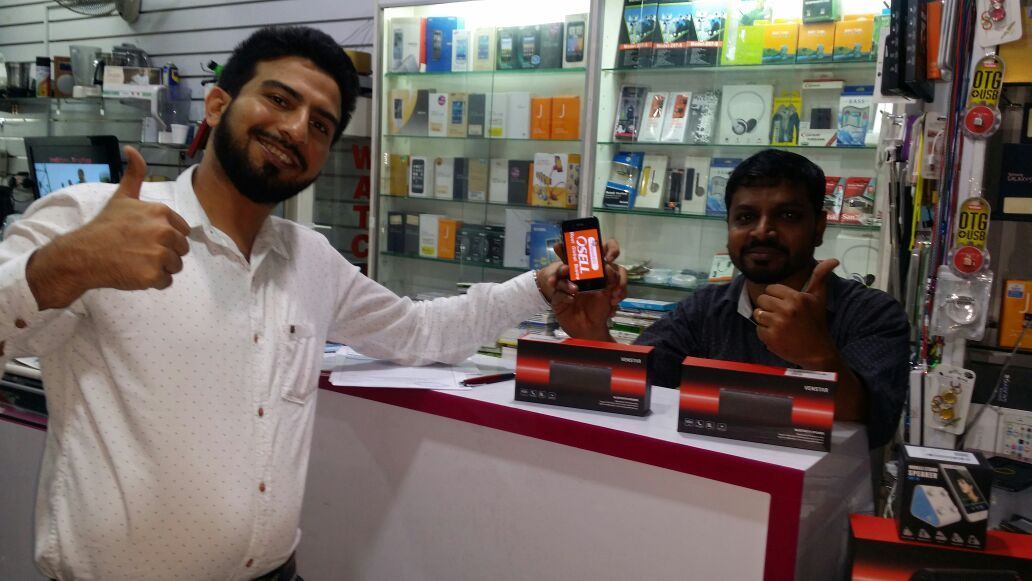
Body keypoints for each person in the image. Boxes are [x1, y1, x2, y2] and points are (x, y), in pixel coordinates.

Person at [0, 27, 624, 580]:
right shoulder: (94, 218)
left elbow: (420, 331)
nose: (297, 129)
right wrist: (67, 266)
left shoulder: (309, 259)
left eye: (321, 125)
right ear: (217, 104)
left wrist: (539, 286)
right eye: (279, 99)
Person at [553, 149, 910, 449]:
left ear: (819, 227)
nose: (762, 231)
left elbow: (875, 425)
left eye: (787, 216)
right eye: (746, 217)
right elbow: (636, 384)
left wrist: (817, 356)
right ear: (728, 226)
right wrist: (593, 333)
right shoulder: (704, 309)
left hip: (815, 502)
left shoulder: (872, 313)